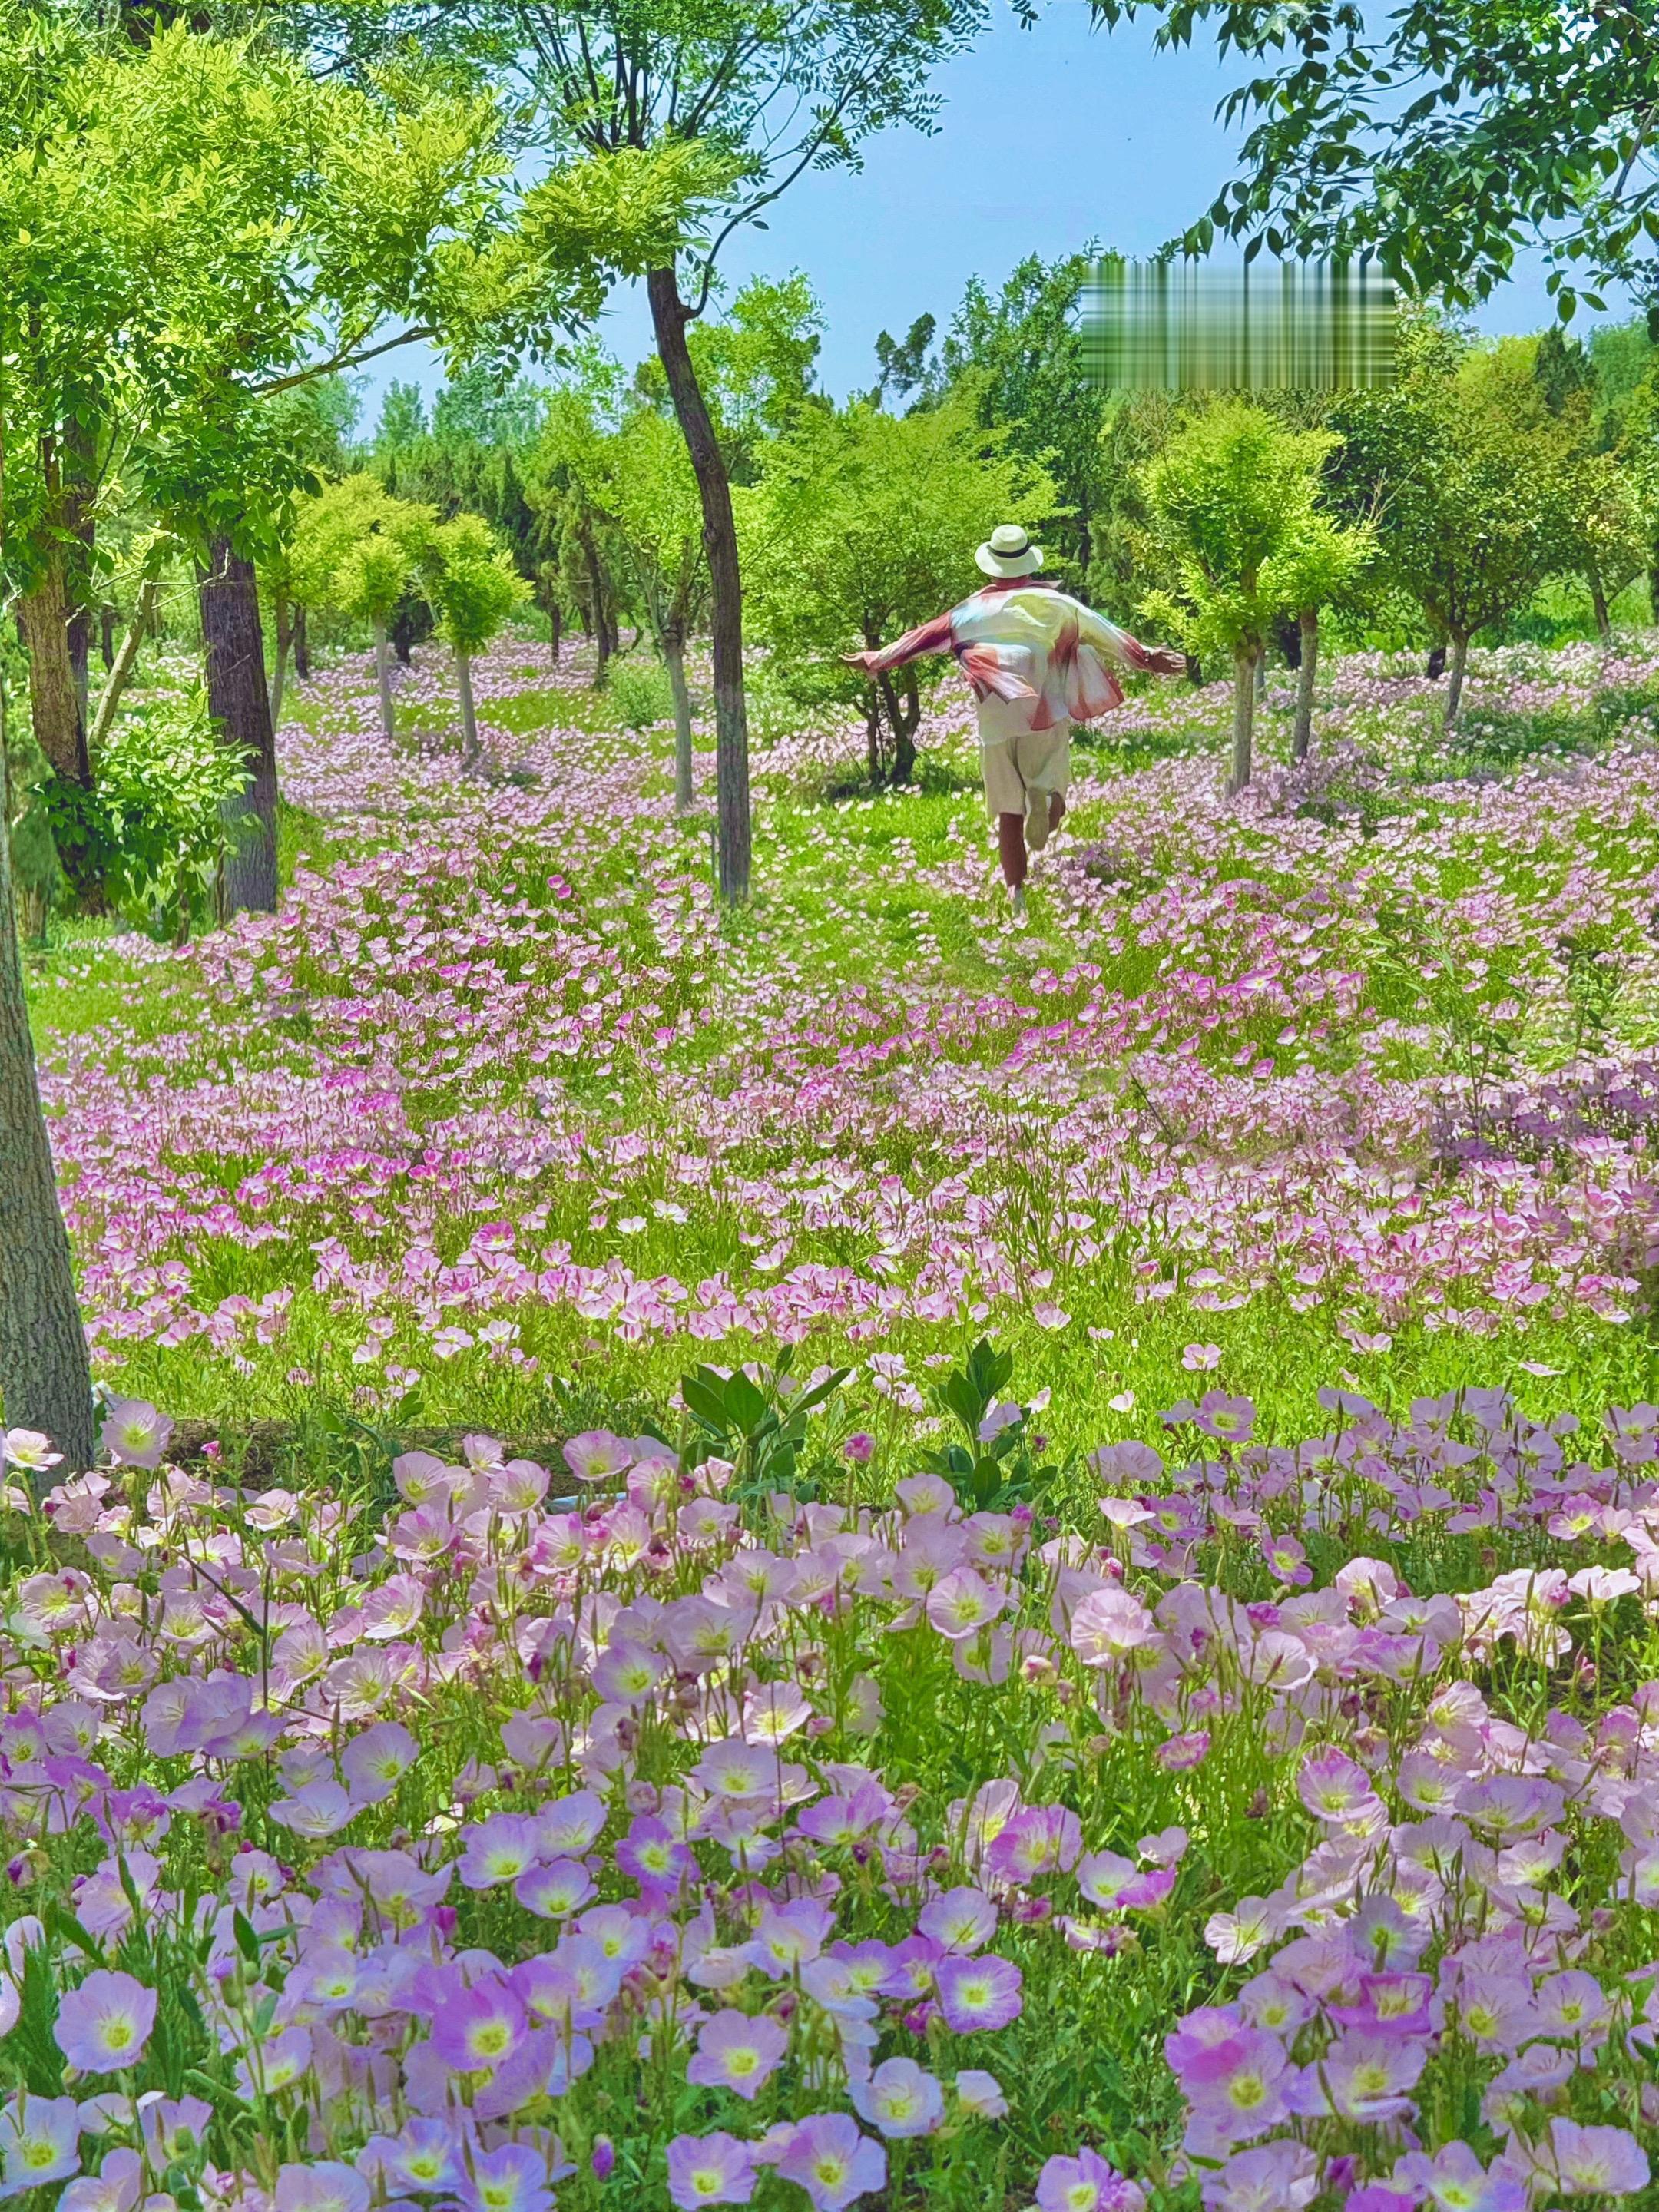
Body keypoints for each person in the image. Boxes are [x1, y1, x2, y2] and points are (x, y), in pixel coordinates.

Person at [845, 525, 1187, 916]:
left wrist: (874, 658)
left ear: (992, 568)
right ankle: (1045, 801)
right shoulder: (1056, 605)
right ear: (1028, 564)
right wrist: (1147, 657)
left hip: (995, 713)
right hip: (1043, 709)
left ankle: (1017, 899)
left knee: (1008, 810)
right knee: (1051, 790)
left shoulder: (968, 611)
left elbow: (919, 639)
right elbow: (1105, 632)